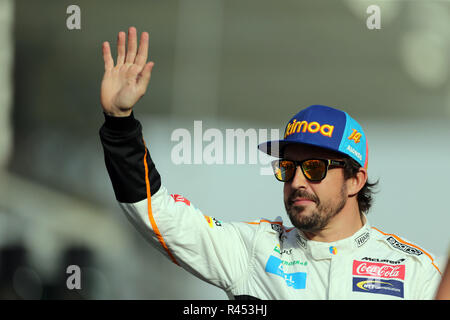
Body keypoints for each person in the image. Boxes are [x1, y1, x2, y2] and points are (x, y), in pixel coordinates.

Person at [99, 26, 442, 299]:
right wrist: (119, 123)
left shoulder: (414, 271)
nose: (297, 182)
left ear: (355, 180)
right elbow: (161, 217)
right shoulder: (255, 250)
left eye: (315, 168)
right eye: (288, 168)